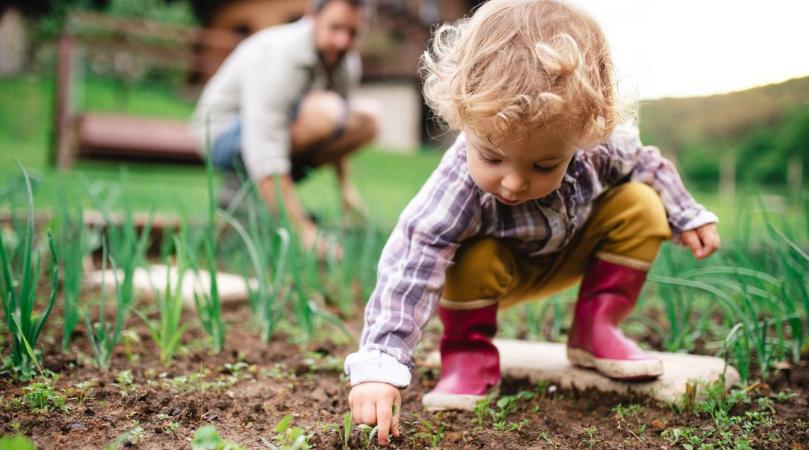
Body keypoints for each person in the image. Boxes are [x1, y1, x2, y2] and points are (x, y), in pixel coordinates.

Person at [344, 0, 721, 445]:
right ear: (464, 119)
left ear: (583, 134)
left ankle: (595, 329)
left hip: (568, 252)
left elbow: (648, 165)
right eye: (491, 156)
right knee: (466, 253)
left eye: (545, 164)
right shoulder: (456, 184)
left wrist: (686, 214)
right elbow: (412, 259)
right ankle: (467, 354)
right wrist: (381, 365)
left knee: (641, 202)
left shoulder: (597, 146)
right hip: (492, 276)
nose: (514, 182)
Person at [190, 0, 378, 258]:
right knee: (326, 111)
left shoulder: (346, 62)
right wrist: (303, 231)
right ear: (312, 18)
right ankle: (249, 198)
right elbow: (264, 143)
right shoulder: (282, 53)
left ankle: (262, 200)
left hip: (275, 132)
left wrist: (346, 190)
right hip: (223, 135)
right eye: (335, 28)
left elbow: (341, 128)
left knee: (366, 121)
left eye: (353, 33)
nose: (342, 41)